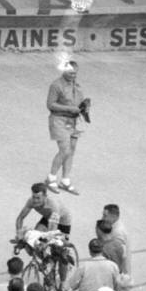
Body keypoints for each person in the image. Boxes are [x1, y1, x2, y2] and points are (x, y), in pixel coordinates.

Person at [47, 59, 88, 193]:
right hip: (59, 120)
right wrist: (69, 109)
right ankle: (51, 179)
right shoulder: (56, 85)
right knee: (64, 149)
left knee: (71, 150)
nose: (73, 76)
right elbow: (50, 104)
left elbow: (79, 101)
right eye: (70, 73)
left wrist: (85, 107)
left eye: (75, 73)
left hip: (73, 122)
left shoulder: (77, 85)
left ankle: (65, 180)